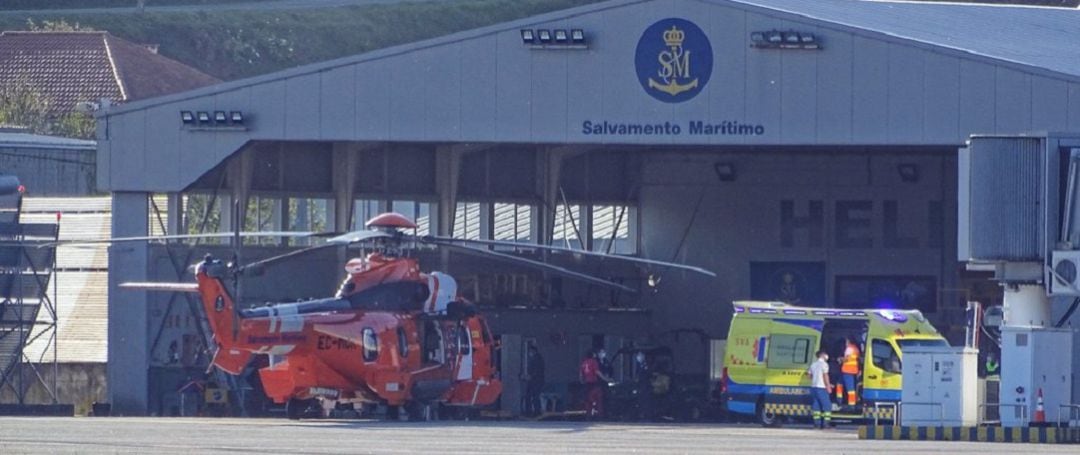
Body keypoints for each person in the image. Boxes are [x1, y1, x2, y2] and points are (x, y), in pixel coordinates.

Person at [580, 349, 612, 418]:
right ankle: (600, 415)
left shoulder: (584, 362)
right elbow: (597, 372)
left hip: (586, 383)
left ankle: (588, 415)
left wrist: (582, 381)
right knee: (599, 399)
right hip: (594, 383)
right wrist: (606, 379)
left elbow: (580, 374)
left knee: (588, 399)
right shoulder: (594, 362)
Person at [808, 350, 833, 429]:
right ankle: (826, 424)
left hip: (814, 387)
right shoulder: (824, 364)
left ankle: (817, 424)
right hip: (821, 388)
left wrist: (815, 378)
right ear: (822, 355)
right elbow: (825, 376)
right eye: (825, 354)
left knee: (816, 406)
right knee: (827, 406)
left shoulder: (813, 364)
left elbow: (809, 376)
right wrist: (828, 386)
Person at [523, 344, 546, 416]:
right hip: (533, 381)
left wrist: (531, 376)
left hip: (536, 381)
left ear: (533, 351)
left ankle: (535, 412)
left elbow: (537, 370)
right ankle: (531, 412)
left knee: (534, 396)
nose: (530, 353)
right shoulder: (535, 358)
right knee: (530, 396)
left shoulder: (537, 359)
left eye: (530, 351)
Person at [634, 351, 654, 421]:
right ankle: (641, 415)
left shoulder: (646, 365)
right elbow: (637, 375)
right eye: (638, 355)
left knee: (646, 402)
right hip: (640, 386)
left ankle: (647, 416)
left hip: (646, 386)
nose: (639, 357)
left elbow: (648, 374)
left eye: (640, 355)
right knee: (640, 401)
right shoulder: (638, 365)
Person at [841, 337, 860, 407]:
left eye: (846, 341)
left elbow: (846, 359)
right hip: (854, 370)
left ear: (849, 341)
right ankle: (851, 403)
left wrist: (840, 360)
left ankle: (850, 405)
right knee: (852, 388)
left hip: (847, 370)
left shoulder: (849, 348)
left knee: (850, 389)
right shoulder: (856, 349)